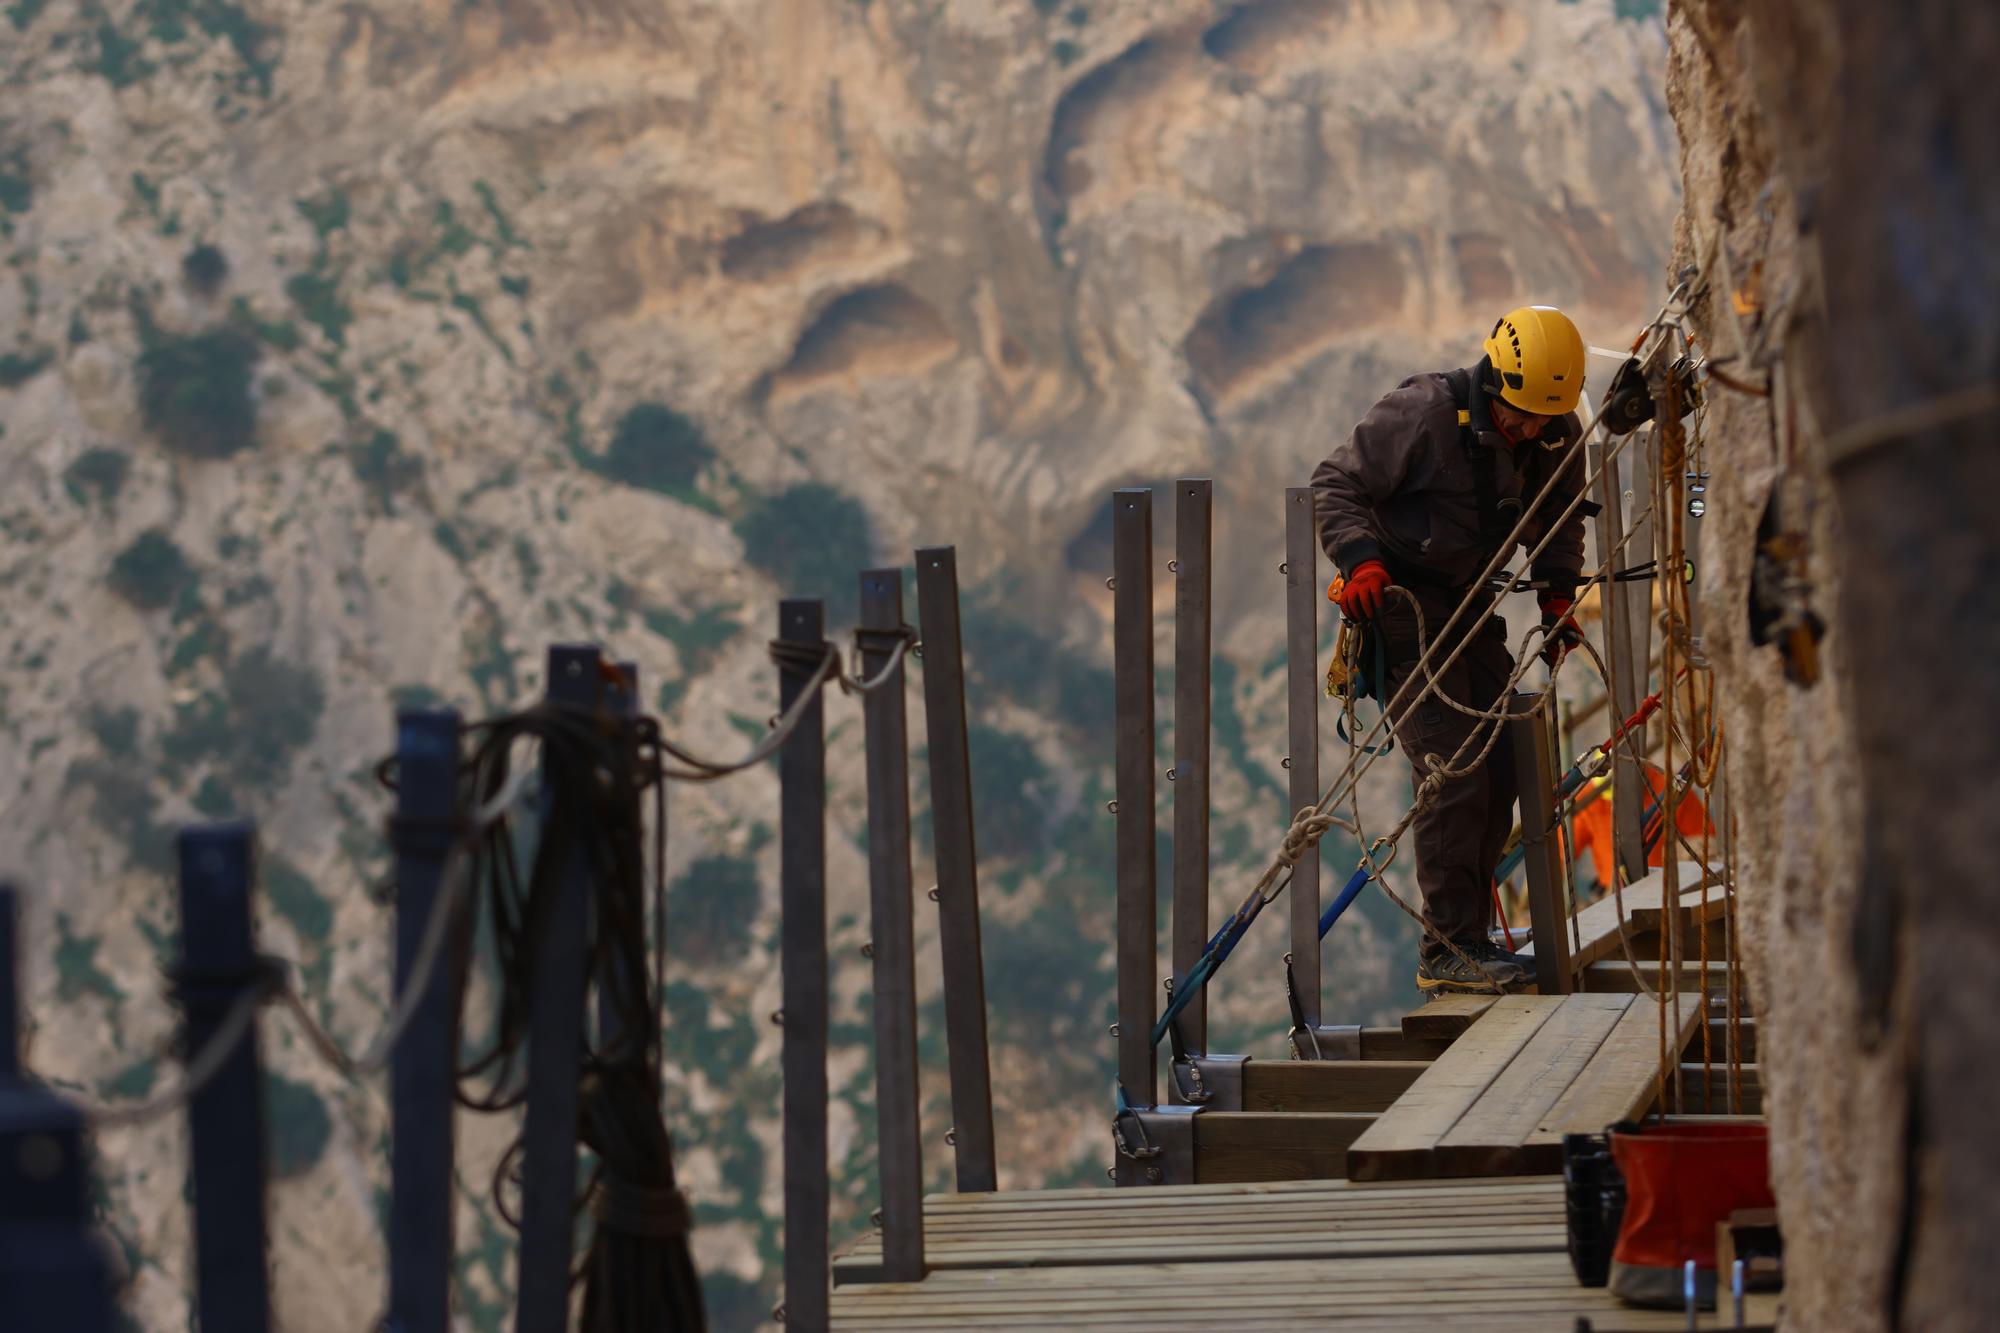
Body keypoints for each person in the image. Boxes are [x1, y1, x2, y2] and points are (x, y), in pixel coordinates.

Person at [1311, 305, 1591, 993]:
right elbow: (1334, 483)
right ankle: (1447, 948)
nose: (1529, 430)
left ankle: (1471, 935)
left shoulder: (1555, 433)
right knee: (1454, 765)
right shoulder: (1425, 413)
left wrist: (1558, 598)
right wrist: (1361, 560)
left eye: (1542, 419)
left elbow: (1557, 518)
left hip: (1471, 605)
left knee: (1502, 762)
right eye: (1520, 416)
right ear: (1495, 381)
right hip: (1403, 608)